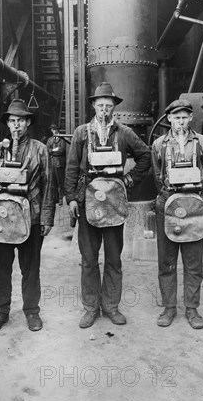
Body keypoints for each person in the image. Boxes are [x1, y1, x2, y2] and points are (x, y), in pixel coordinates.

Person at [64, 82, 151, 328]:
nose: (104, 110)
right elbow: (71, 167)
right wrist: (71, 198)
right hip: (87, 202)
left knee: (114, 258)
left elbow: (145, 156)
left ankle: (111, 307)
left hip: (114, 202)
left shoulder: (123, 132)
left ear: (114, 108)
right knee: (89, 259)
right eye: (100, 105)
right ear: (93, 105)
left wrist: (128, 180)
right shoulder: (82, 132)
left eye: (109, 106)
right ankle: (91, 308)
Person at [0, 99, 55, 333]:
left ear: (28, 122)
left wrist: (46, 218)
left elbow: (49, 184)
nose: (16, 126)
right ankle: (0, 311)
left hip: (29, 218)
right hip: (0, 218)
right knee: (0, 267)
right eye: (12, 121)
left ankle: (31, 311)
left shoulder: (40, 149)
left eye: (20, 121)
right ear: (7, 124)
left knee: (30, 267)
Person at [151, 99, 203, 329]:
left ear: (191, 118)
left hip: (193, 205)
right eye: (176, 117)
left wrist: (192, 198)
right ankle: (169, 307)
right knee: (166, 260)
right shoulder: (159, 144)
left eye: (185, 117)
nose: (180, 121)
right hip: (166, 205)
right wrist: (170, 198)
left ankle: (192, 308)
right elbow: (157, 177)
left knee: (193, 261)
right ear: (169, 119)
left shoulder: (202, 143)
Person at [46, 124, 67, 206]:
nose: (53, 131)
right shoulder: (50, 140)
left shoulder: (62, 140)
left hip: (59, 163)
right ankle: (54, 198)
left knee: (60, 182)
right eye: (52, 129)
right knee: (52, 181)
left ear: (58, 130)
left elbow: (61, 150)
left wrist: (52, 151)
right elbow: (47, 150)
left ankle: (61, 198)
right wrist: (54, 150)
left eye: (55, 129)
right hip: (51, 163)